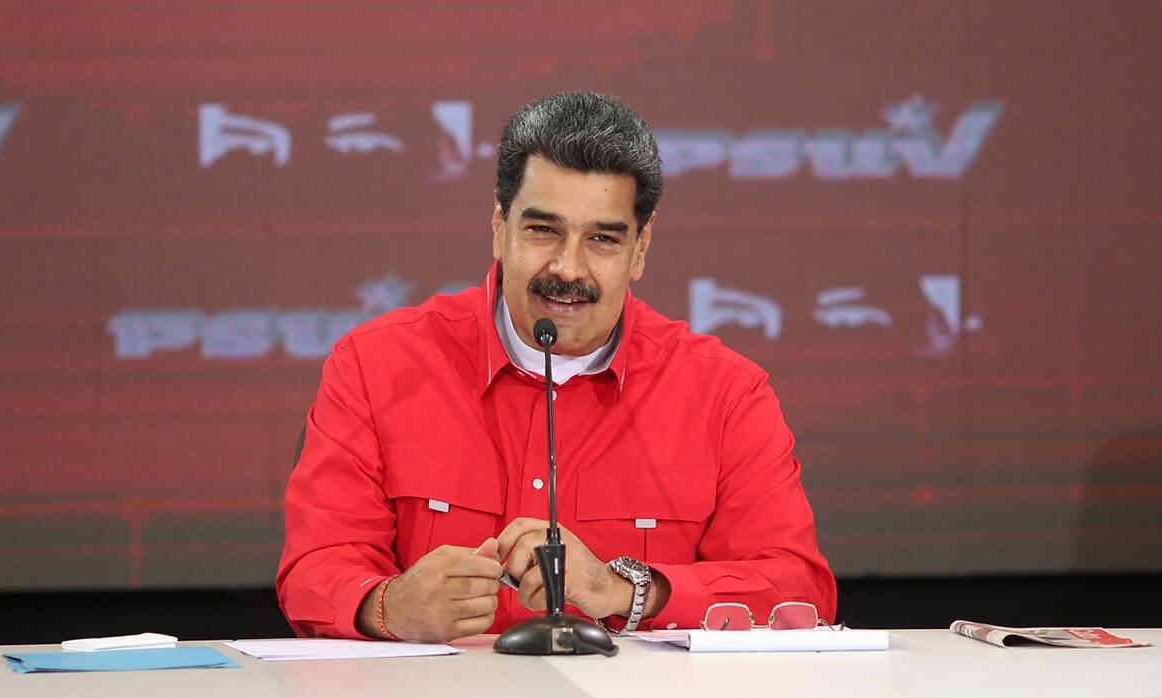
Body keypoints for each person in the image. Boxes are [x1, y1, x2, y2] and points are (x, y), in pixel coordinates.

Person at [277, 92, 836, 642]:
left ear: (641, 248)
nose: (568, 268)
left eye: (602, 239)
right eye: (543, 230)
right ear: (500, 227)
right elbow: (313, 570)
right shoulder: (376, 365)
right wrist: (388, 606)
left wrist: (624, 592)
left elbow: (798, 592)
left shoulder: (726, 393)